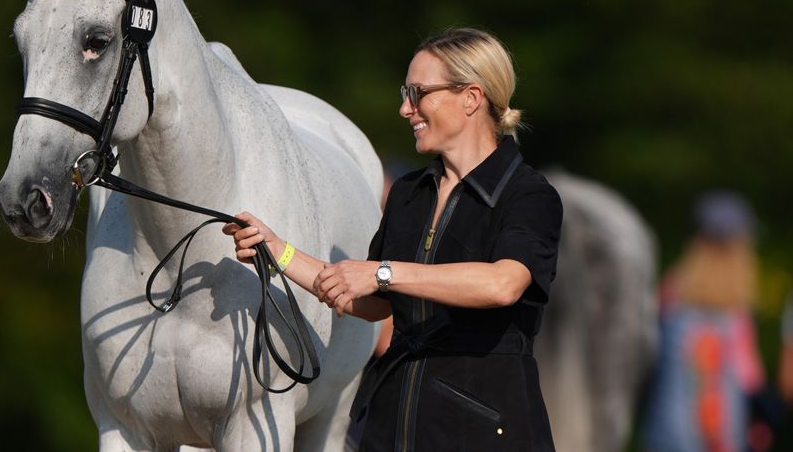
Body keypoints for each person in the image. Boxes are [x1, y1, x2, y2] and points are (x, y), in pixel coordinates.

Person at [224, 27, 563, 452]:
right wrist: (278, 252)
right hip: (392, 422)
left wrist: (385, 273)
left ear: (471, 98)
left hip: (483, 428)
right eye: (406, 92)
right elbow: (369, 301)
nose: (405, 109)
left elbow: (502, 285)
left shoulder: (529, 194)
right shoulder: (409, 193)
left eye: (418, 93)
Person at [644, 191, 767, 452]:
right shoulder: (738, 314)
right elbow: (751, 378)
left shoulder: (670, 295)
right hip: (722, 439)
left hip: (668, 434)